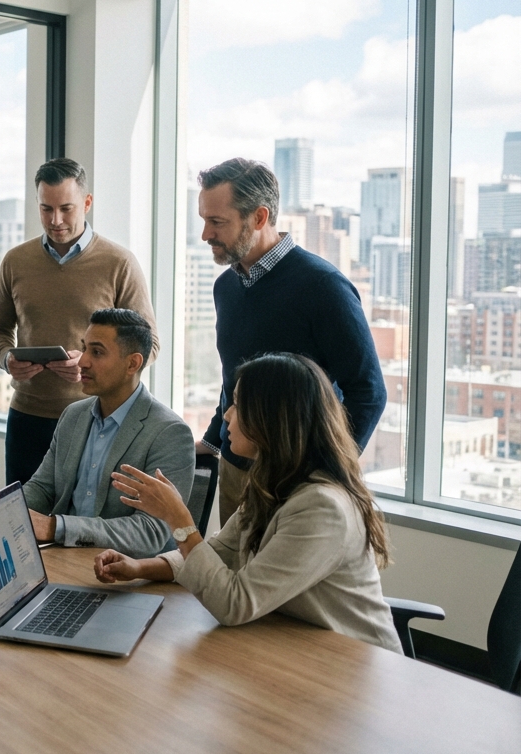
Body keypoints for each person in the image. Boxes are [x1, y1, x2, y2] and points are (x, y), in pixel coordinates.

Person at [94, 352, 402, 653]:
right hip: (296, 646)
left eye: (239, 405)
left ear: (272, 418)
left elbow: (234, 604)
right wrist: (139, 568)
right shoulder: (275, 483)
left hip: (357, 667)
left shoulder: (322, 508)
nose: (227, 414)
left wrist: (179, 519)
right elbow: (216, 554)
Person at [197, 158, 386, 526]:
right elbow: (233, 381)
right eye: (204, 219)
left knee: (286, 585)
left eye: (217, 222)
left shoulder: (323, 287)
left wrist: (326, 475)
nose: (205, 234)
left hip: (298, 482)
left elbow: (369, 391)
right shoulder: (226, 287)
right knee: (231, 579)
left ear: (259, 217)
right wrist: (213, 440)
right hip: (237, 471)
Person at [0, 158, 158, 486]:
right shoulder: (16, 261)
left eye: (66, 208)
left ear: (87, 203)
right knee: (22, 521)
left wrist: (89, 362)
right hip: (27, 417)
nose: (55, 220)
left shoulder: (119, 263)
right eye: (45, 209)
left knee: (82, 526)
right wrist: (7, 358)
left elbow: (148, 345)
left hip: (97, 418)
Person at [23, 309, 193, 551]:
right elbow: (43, 488)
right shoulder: (73, 415)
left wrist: (55, 527)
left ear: (132, 363)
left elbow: (150, 531)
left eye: (97, 352)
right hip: (63, 560)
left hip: (128, 572)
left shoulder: (170, 433)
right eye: (84, 348)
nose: (82, 361)